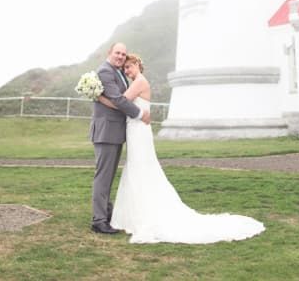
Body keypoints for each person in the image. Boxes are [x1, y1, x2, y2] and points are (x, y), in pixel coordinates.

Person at [98, 53, 266, 244]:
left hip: (138, 132)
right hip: (135, 129)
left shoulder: (139, 82)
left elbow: (121, 102)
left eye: (129, 66)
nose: (127, 70)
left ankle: (145, 214)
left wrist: (99, 97)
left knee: (141, 168)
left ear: (137, 64)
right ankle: (133, 213)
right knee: (137, 168)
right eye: (125, 68)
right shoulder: (136, 81)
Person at [90, 42, 150, 234]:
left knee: (107, 176)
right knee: (103, 176)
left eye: (123, 54)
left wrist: (102, 98)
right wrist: (140, 114)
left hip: (115, 131)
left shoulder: (118, 73)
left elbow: (120, 99)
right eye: (117, 53)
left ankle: (106, 212)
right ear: (110, 52)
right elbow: (118, 100)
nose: (120, 57)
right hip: (106, 131)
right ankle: (99, 220)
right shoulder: (106, 71)